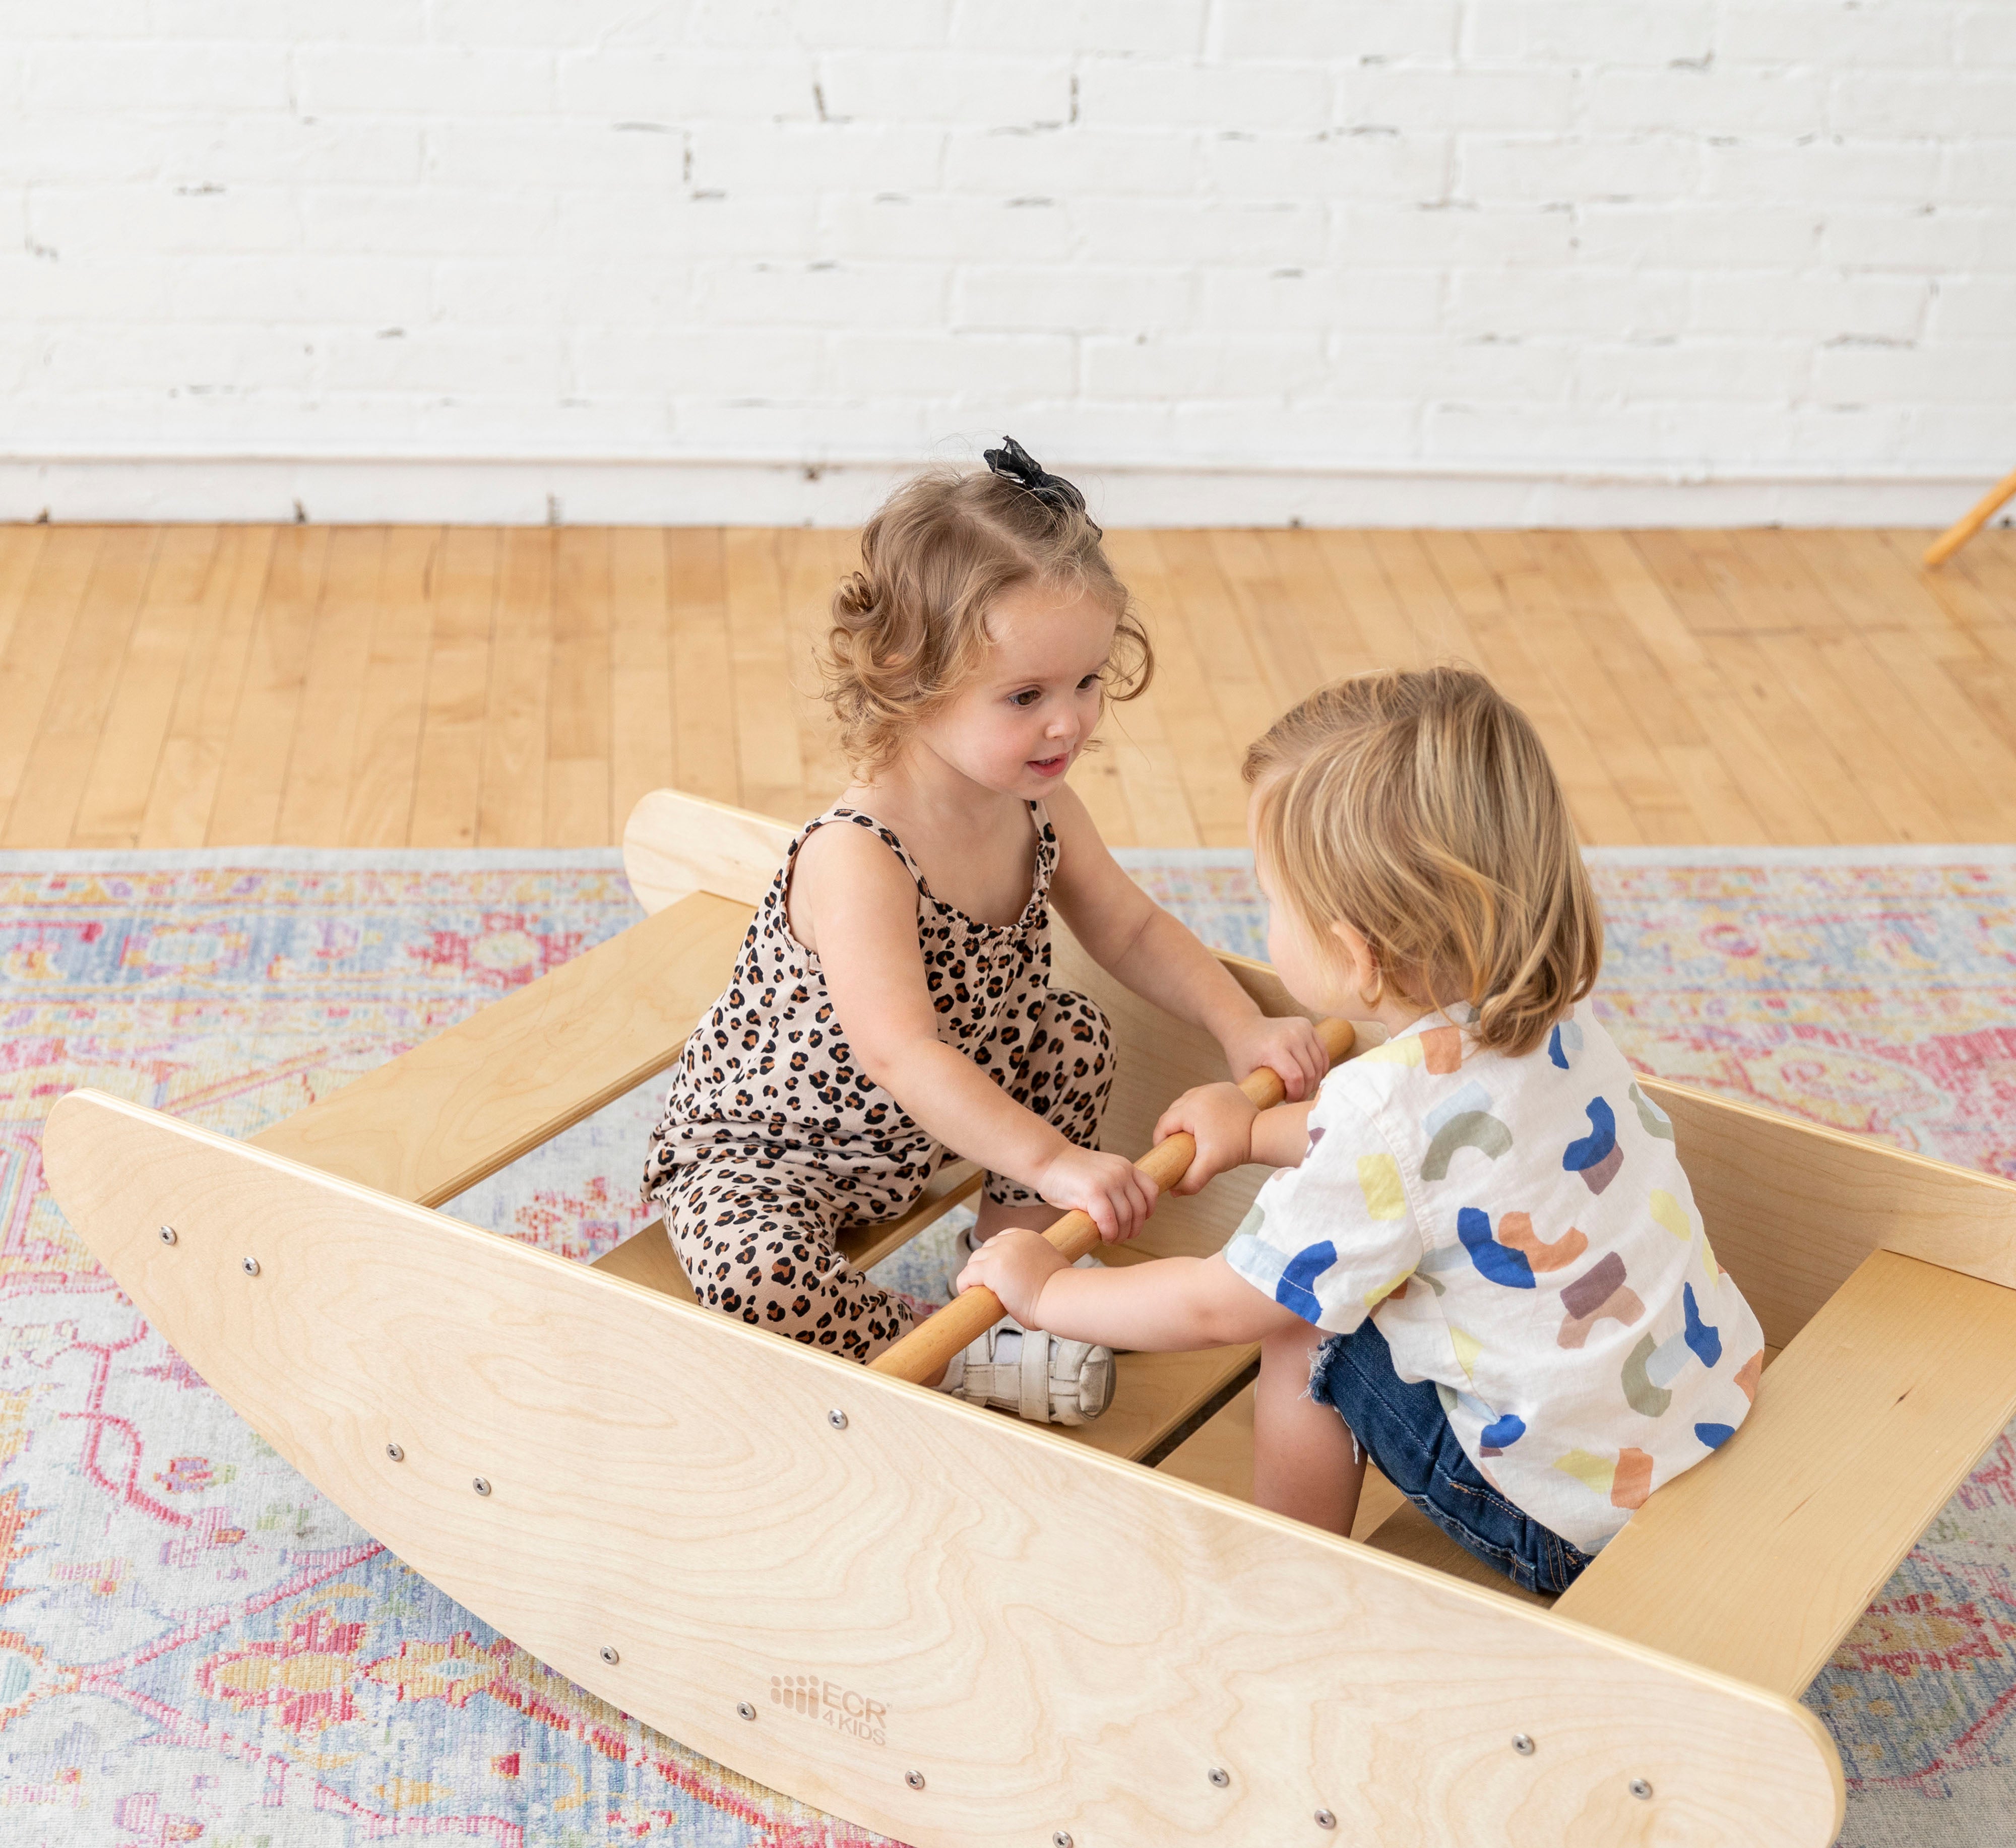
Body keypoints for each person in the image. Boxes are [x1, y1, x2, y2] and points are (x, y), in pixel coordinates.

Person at [959, 665, 1764, 1592]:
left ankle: (1290, 1575)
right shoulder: (1551, 1019)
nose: (1265, 918)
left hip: (1559, 1522)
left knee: (1308, 1322)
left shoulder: (1383, 1111)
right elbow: (1432, 1156)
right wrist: (1252, 1132)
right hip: (1697, 1414)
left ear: (1353, 952)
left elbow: (1223, 1304)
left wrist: (1046, 1293)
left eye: (1270, 901)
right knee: (1344, 1275)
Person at [641, 440, 1327, 1421]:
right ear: (909, 682)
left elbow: (1132, 928)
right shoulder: (858, 852)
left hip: (931, 1125)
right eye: (1025, 697)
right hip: (772, 1149)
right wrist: (1053, 1160)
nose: (1069, 723)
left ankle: (1013, 1270)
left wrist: (1241, 1027)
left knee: (1071, 1032)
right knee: (756, 1277)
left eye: (1085, 681)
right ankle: (949, 1356)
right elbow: (902, 1053)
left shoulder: (1035, 807)